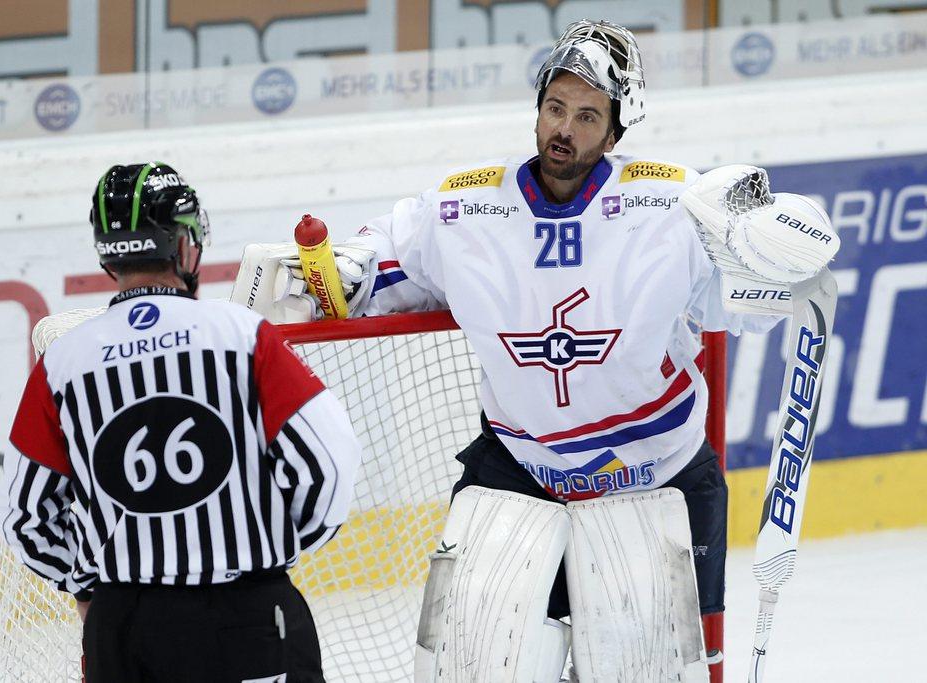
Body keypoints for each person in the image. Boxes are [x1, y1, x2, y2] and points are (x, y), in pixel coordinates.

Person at [239, 20, 838, 682]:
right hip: (521, 467)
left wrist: (784, 243)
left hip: (656, 473)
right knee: (465, 663)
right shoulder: (465, 211)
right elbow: (381, 260)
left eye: (587, 116)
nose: (564, 129)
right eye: (555, 107)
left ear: (614, 133)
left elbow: (760, 290)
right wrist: (337, 272)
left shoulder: (670, 205)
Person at [0, 162, 361, 683]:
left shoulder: (64, 360)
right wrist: (265, 551)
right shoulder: (243, 336)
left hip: (121, 632)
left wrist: (92, 588)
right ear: (185, 243)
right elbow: (328, 463)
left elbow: (25, 516)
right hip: (245, 617)